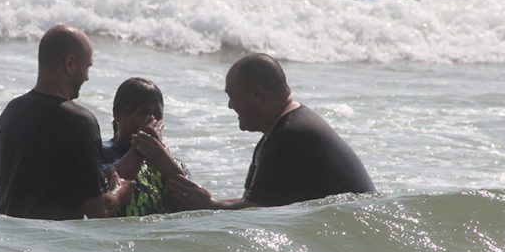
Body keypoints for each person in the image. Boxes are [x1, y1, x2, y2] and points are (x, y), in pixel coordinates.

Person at [147, 54, 374, 211]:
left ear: (257, 95)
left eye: (231, 96)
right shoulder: (279, 131)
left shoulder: (292, 135)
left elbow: (255, 215)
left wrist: (209, 205)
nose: (230, 106)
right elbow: (253, 203)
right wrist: (210, 203)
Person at [0, 25, 135, 220]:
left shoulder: (10, 113)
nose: (87, 76)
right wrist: (120, 191)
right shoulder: (79, 122)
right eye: (87, 67)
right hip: (48, 244)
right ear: (70, 63)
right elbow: (98, 209)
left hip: (3, 236)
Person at [101, 78, 187, 217]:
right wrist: (139, 149)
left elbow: (192, 204)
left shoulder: (173, 164)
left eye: (157, 116)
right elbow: (96, 189)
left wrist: (165, 161)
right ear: (117, 114)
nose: (151, 121)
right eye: (142, 113)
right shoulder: (100, 153)